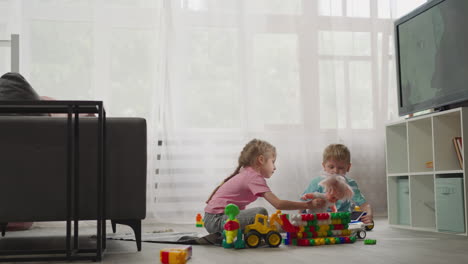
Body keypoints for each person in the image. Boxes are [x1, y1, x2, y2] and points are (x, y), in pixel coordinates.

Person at [204, 138, 325, 235]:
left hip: (214, 219)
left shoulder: (246, 172)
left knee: (261, 217)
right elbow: (278, 204)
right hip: (218, 221)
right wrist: (308, 205)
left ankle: (276, 227)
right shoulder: (253, 177)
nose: (275, 167)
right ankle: (277, 228)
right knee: (260, 212)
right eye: (273, 161)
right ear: (261, 160)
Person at [301, 144, 373, 224]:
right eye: (331, 167)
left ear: (348, 167)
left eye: (340, 168)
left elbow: (364, 204)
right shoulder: (317, 183)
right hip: (319, 219)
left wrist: (369, 215)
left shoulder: (350, 184)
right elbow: (302, 203)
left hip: (341, 220)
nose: (335, 171)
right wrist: (300, 219)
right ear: (324, 166)